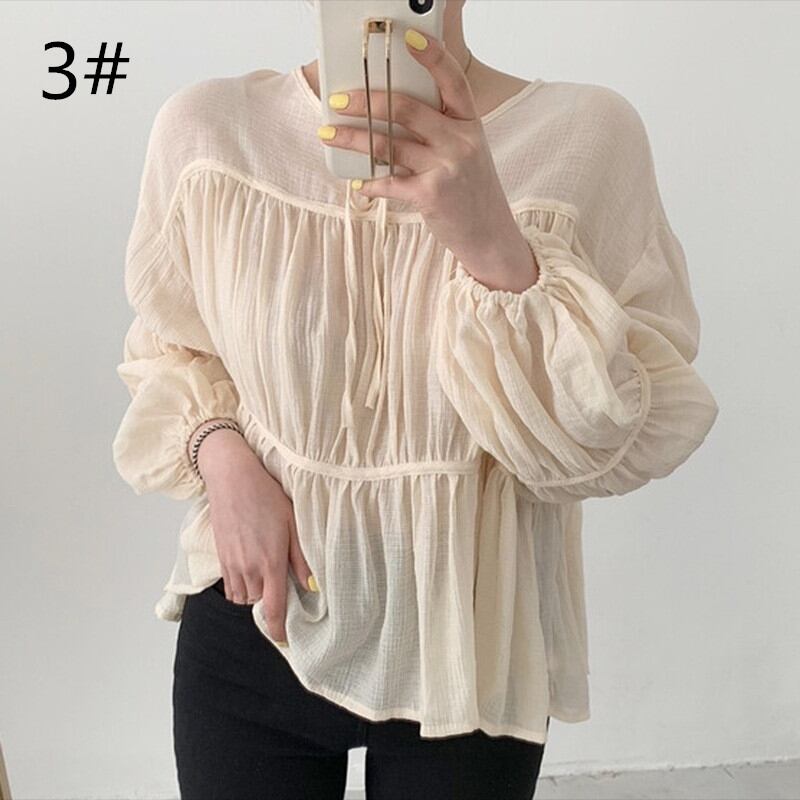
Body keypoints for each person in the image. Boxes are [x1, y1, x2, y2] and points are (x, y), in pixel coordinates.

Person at [111, 1, 720, 797]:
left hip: (472, 646)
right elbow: (167, 347)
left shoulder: (584, 137)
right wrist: (221, 458)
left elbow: (613, 435)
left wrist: (492, 239)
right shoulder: (209, 131)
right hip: (255, 611)